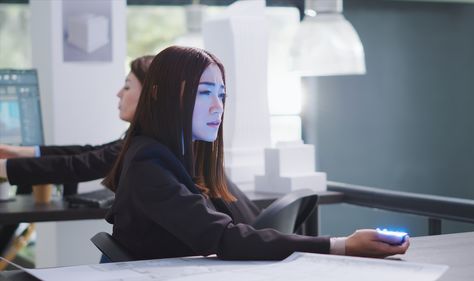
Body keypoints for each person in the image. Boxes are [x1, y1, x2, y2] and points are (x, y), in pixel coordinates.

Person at [103, 46, 410, 261]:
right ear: (160, 95)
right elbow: (222, 237)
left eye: (222, 95)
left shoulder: (185, 155)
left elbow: (238, 228)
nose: (218, 107)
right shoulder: (149, 162)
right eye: (204, 92)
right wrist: (342, 245)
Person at [0, 55, 154, 188]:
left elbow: (76, 166)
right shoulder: (143, 138)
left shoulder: (143, 145)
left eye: (127, 87)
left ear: (149, 95)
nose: (118, 93)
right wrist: (18, 152)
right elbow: (89, 152)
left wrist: (4, 167)